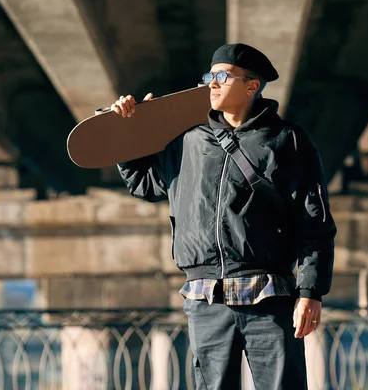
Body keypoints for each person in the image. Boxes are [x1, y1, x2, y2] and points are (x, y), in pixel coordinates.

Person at [112, 43, 336, 389]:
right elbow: (145, 184)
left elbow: (314, 223)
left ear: (252, 86)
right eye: (209, 76)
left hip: (268, 297)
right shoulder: (187, 142)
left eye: (222, 76)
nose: (211, 84)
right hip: (206, 299)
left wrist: (310, 291)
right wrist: (128, 130)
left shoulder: (287, 141)